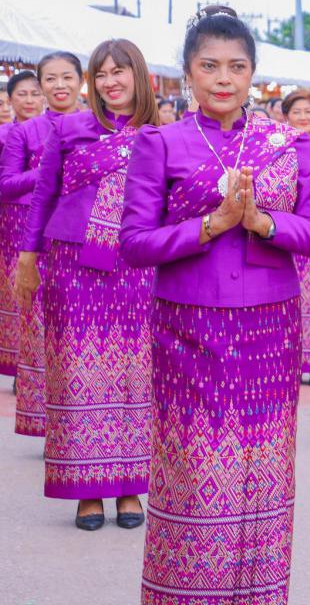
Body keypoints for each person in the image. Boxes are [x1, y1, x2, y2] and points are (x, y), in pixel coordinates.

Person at [120, 5, 310, 604]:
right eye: (209, 66)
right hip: (187, 323)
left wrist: (263, 222)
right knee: (196, 460)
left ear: (252, 74)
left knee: (263, 462)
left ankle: (257, 592)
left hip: (270, 323)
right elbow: (134, 243)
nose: (223, 78)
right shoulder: (160, 143)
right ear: (188, 73)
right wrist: (210, 226)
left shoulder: (288, 146)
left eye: (237, 67)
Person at [15, 39, 158, 531]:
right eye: (101, 74)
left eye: (119, 71)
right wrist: (28, 258)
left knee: (136, 371)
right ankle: (86, 489)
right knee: (77, 369)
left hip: (137, 264)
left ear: (139, 76)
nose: (110, 81)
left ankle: (130, 486)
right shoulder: (69, 128)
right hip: (73, 264)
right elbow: (44, 194)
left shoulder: (161, 135)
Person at [2, 55, 82, 437]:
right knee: (42, 331)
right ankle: (51, 423)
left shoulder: (98, 128)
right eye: (50, 79)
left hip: (83, 244)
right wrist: (48, 170)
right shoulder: (25, 132)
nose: (59, 85)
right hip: (36, 239)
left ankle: (82, 419)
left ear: (81, 81)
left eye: (67, 77)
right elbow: (6, 185)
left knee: (79, 336)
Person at [0, 71, 43, 378]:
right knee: (14, 288)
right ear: (10, 99)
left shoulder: (58, 130)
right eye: (22, 94)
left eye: (34, 93)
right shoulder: (5, 135)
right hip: (12, 220)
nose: (29, 100)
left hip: (48, 219)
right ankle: (18, 363)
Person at [282, 88, 310, 382]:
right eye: (296, 112)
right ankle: (297, 361)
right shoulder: (280, 147)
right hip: (292, 234)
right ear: (286, 117)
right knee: (299, 300)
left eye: (308, 111)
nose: (303, 117)